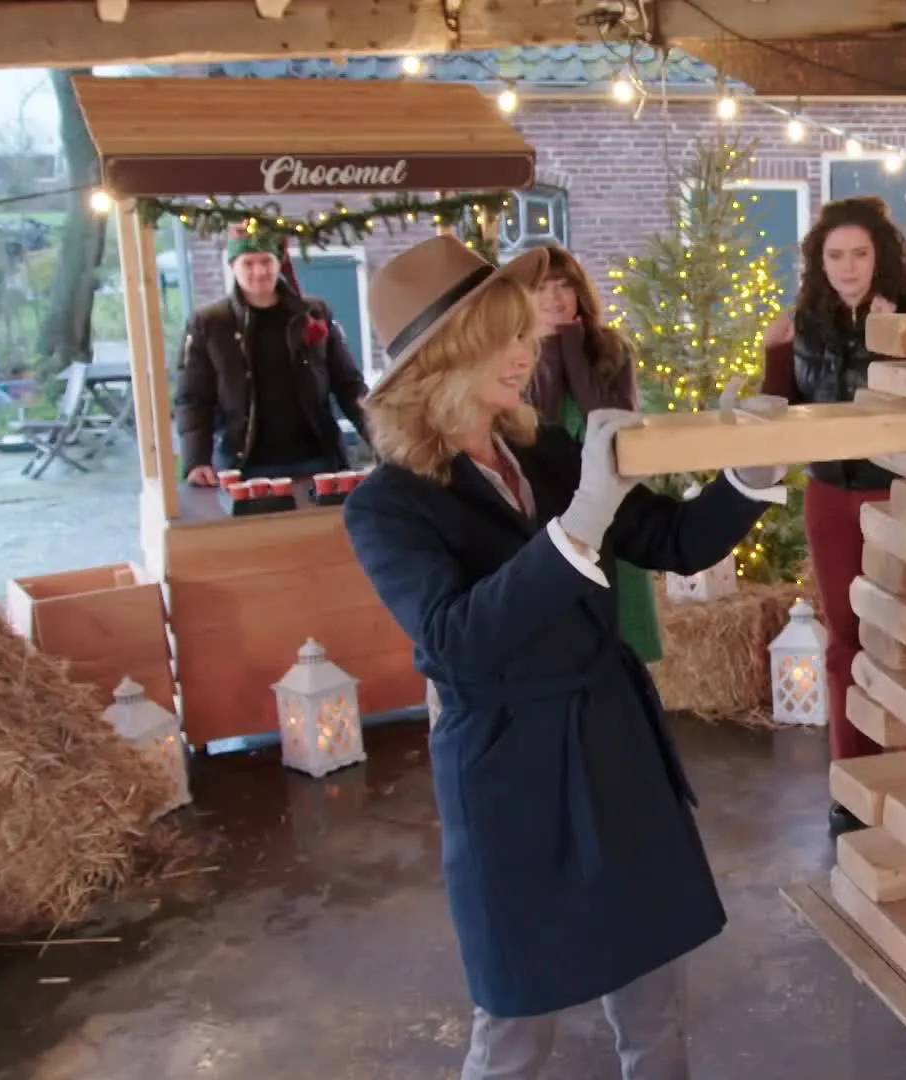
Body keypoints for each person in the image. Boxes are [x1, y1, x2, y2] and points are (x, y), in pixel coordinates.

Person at [342, 236, 789, 1080]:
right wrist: (578, 521)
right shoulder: (387, 505)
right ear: (440, 359)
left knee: (656, 1003)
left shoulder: (544, 450)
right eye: (502, 337)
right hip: (512, 774)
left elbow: (670, 539)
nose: (527, 351)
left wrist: (748, 472)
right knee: (518, 1017)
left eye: (525, 332)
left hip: (612, 742)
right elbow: (457, 639)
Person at [759, 194, 906, 837]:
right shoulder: (805, 319)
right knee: (845, 639)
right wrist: (774, 354)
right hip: (830, 495)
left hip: (900, 494)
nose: (848, 266)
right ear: (820, 261)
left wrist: (896, 343)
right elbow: (777, 411)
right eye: (835, 255)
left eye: (859, 253)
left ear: (880, 255)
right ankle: (851, 782)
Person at [523, 243, 663, 664]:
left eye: (564, 285)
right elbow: (539, 430)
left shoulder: (610, 349)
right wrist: (546, 348)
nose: (554, 297)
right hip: (550, 514)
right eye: (542, 287)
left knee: (624, 643)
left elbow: (607, 417)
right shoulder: (513, 356)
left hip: (614, 508)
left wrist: (569, 343)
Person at [175, 229, 372, 485]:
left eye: (266, 261)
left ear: (280, 262)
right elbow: (193, 398)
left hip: (318, 459)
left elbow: (348, 384)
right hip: (244, 465)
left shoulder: (313, 312)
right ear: (233, 265)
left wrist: (381, 440)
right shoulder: (209, 323)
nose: (259, 271)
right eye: (248, 263)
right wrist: (196, 459)